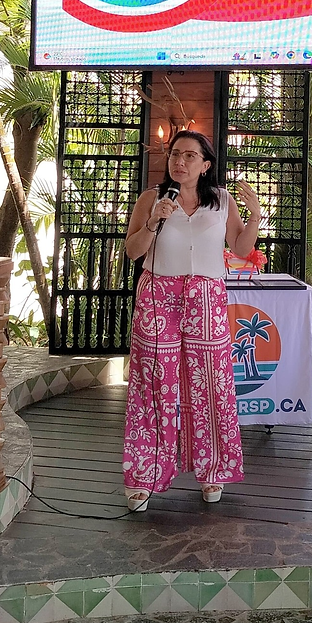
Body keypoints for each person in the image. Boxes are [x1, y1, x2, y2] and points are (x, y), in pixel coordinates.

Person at [122, 129, 262, 512]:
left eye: (188, 156)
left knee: (211, 384)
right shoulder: (152, 198)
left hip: (206, 298)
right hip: (157, 297)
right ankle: (145, 475)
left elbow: (240, 248)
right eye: (174, 155)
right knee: (154, 383)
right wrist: (153, 222)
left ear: (205, 165)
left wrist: (255, 217)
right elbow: (133, 251)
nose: (179, 162)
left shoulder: (221, 201)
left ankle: (213, 470)